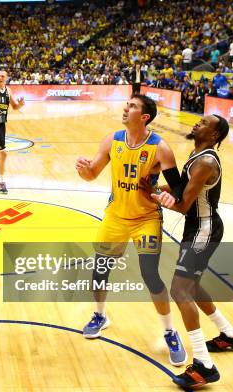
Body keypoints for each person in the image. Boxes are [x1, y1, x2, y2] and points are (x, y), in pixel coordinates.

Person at [75, 94, 187, 366]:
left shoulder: (161, 148)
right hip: (116, 216)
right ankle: (100, 315)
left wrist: (158, 191)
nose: (126, 109)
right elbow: (92, 174)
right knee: (100, 269)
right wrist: (84, 171)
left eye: (132, 107)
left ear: (144, 116)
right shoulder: (112, 140)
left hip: (146, 218)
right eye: (127, 105)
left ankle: (170, 332)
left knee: (150, 274)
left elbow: (180, 187)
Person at [150, 115, 233, 388]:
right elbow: (181, 187)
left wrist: (160, 198)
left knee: (180, 290)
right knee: (191, 286)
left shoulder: (205, 161)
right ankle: (229, 333)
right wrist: (156, 187)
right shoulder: (197, 153)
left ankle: (204, 365)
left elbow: (182, 203)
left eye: (204, 123)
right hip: (198, 228)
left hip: (204, 230)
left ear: (214, 135)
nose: (197, 124)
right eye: (199, 120)